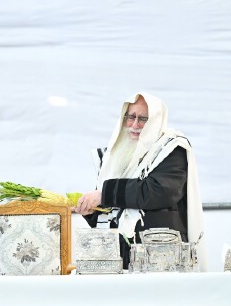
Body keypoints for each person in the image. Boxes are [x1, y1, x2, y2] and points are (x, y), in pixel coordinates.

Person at [74, 92, 206, 269]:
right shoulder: (116, 155)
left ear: (156, 120)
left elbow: (157, 191)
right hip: (121, 257)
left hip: (161, 257)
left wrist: (104, 195)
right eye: (131, 117)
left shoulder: (172, 149)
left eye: (143, 119)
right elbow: (113, 211)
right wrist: (91, 211)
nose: (135, 125)